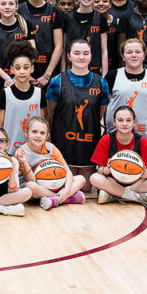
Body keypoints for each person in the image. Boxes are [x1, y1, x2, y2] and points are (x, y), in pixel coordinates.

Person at [47, 39, 107, 191]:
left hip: (88, 144)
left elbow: (99, 113)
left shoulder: (101, 83)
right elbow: (51, 114)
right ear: (69, 56)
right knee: (65, 186)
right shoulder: (57, 82)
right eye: (77, 53)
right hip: (64, 143)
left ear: (91, 56)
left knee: (85, 189)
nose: (81, 57)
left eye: (85, 53)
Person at [89, 106, 147, 207]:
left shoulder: (141, 140)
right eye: (120, 120)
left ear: (134, 122)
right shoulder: (106, 139)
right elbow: (100, 170)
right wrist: (106, 170)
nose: (124, 124)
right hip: (114, 181)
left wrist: (143, 173)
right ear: (114, 122)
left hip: (136, 183)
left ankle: (115, 195)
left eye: (128, 120)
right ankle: (135, 197)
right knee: (94, 178)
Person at [105, 38, 147, 149]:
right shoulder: (112, 76)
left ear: (144, 55)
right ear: (123, 56)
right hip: (116, 138)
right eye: (129, 52)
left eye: (138, 52)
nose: (134, 55)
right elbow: (102, 106)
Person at [16, 116, 86, 210]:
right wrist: (25, 162)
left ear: (47, 136)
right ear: (26, 133)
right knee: (31, 187)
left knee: (81, 179)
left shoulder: (51, 147)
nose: (38, 135)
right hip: (37, 188)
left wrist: (66, 190)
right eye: (34, 132)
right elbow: (31, 181)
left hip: (55, 183)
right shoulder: (21, 152)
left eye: (42, 133)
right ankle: (63, 198)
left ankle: (57, 199)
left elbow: (68, 172)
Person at [0, 40, 46, 153]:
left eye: (26, 67)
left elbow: (43, 123)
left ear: (32, 69)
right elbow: (0, 124)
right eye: (18, 68)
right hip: (10, 151)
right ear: (12, 69)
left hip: (34, 152)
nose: (22, 71)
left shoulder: (39, 94)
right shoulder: (5, 94)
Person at [0, 0, 34, 94]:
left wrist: (21, 75)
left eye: (11, 4)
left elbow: (32, 54)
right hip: (0, 79)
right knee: (0, 109)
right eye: (3, 4)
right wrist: (7, 78)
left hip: (22, 77)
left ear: (17, 7)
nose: (7, 7)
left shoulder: (25, 25)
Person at [63, 0, 108, 75]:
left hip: (94, 70)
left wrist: (104, 75)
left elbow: (104, 50)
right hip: (71, 71)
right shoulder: (67, 18)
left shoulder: (100, 19)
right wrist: (63, 74)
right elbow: (63, 50)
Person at [93, 0, 122, 70]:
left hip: (115, 64)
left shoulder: (118, 22)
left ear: (110, 4)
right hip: (94, 65)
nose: (101, 4)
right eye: (97, 1)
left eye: (105, 1)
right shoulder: (89, 23)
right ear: (92, 4)